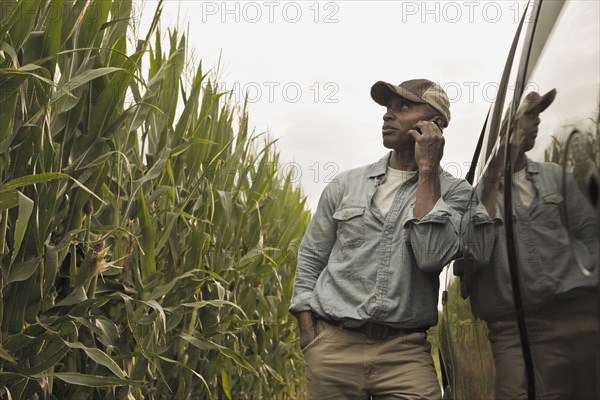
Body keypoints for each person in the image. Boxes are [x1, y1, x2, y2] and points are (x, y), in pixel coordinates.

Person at [289, 79, 472, 399]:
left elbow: (431, 256)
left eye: (404, 107)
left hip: (405, 355)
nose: (388, 115)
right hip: (333, 349)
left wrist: (427, 169)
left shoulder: (457, 194)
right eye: (388, 107)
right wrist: (310, 336)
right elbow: (311, 257)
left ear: (436, 124)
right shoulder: (345, 185)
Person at [461, 89, 599, 399]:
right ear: (507, 126)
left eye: (539, 115)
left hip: (571, 317)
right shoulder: (473, 193)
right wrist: (496, 171)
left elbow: (590, 232)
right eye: (529, 115)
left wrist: (585, 287)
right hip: (511, 328)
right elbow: (475, 251)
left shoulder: (555, 176)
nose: (537, 122)